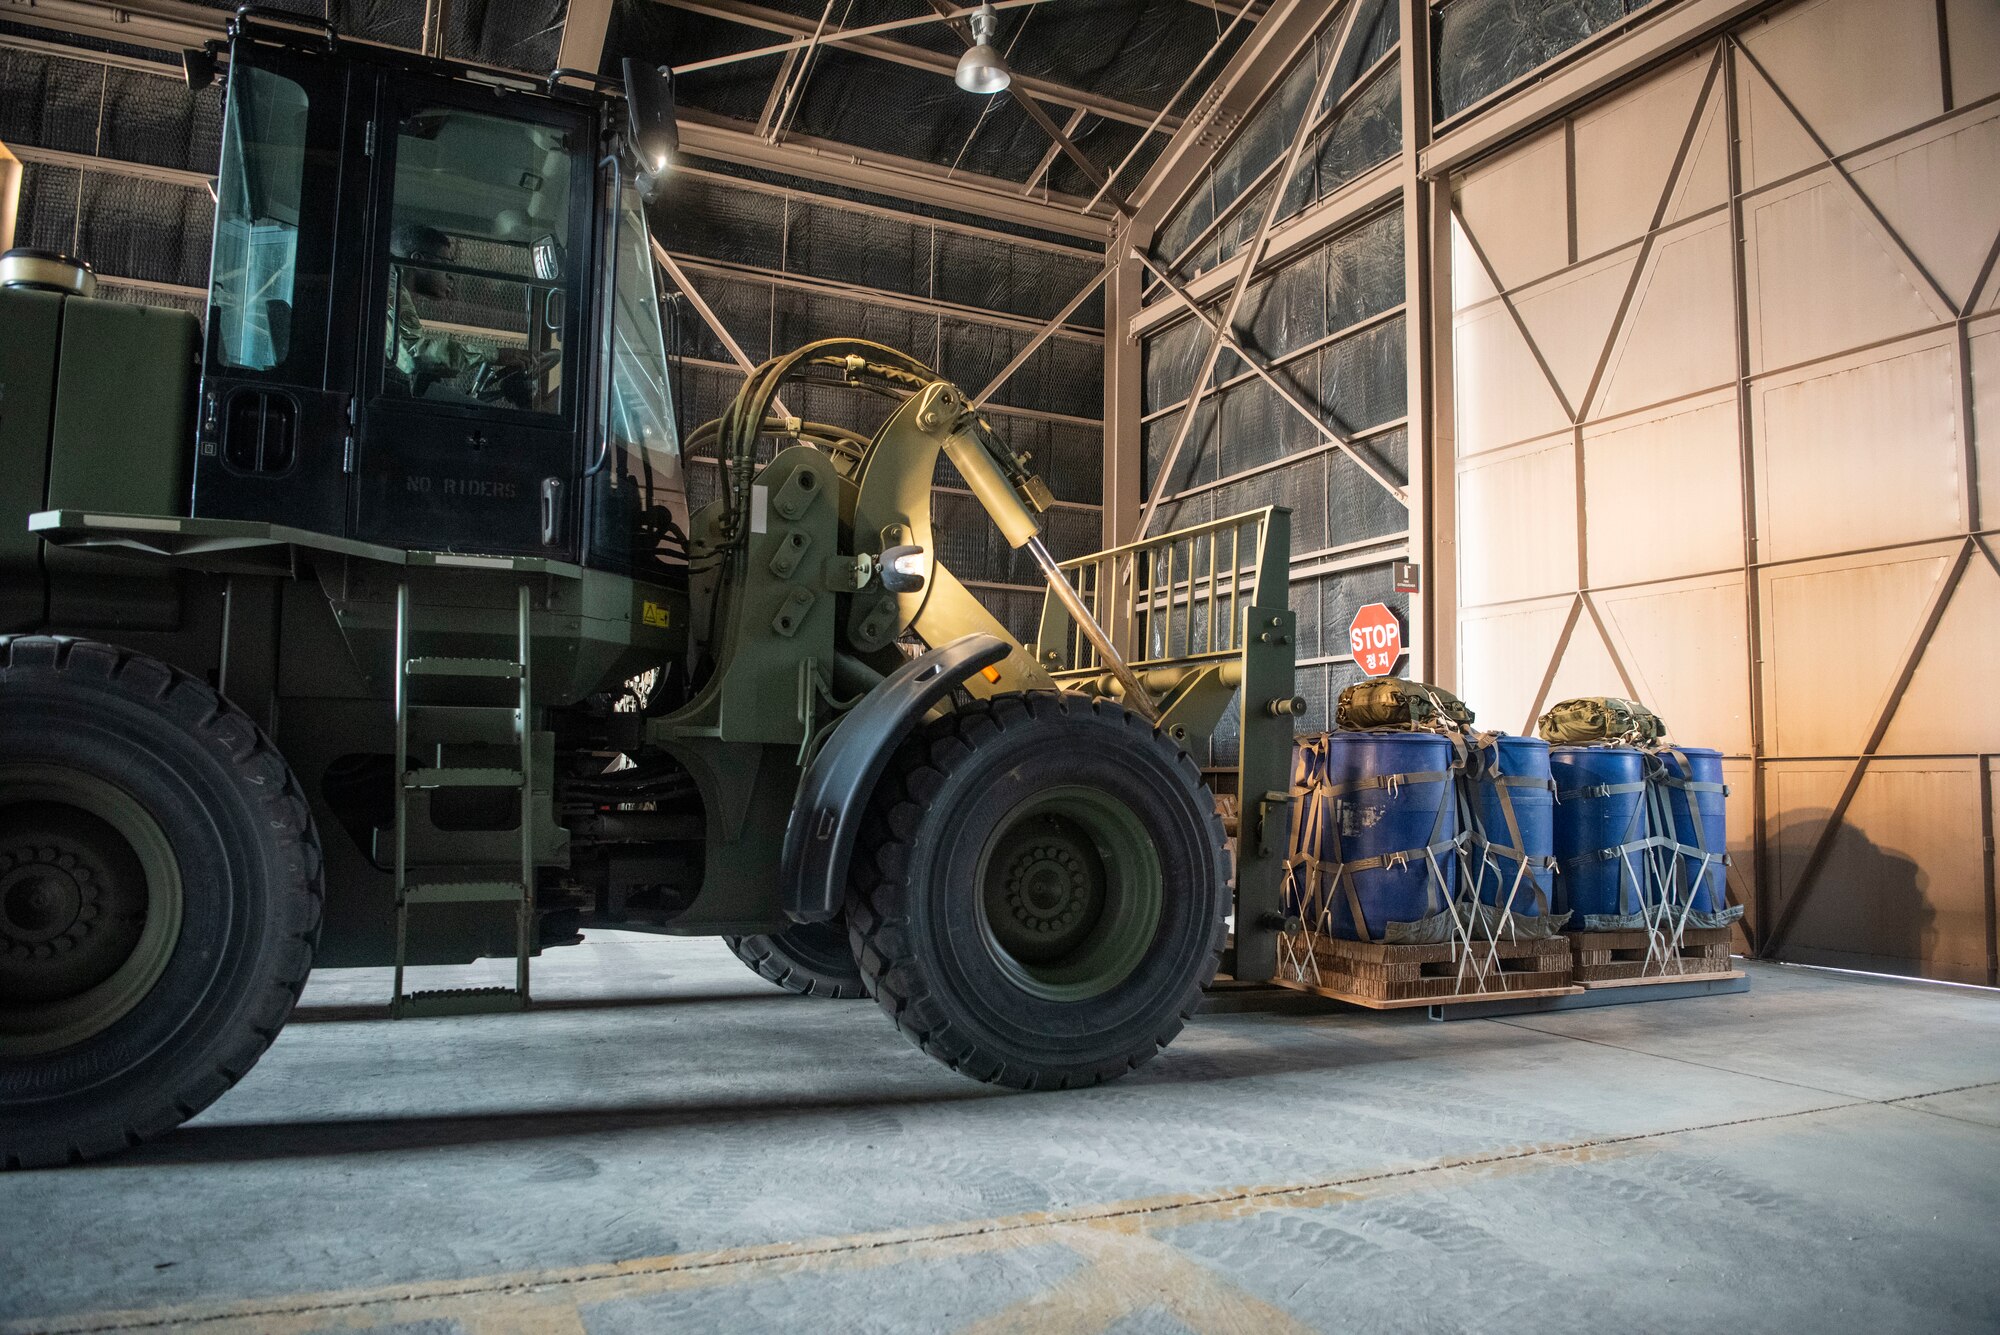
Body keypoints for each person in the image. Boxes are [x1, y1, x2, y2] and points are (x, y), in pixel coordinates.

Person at [385, 222, 537, 407]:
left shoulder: (392, 288)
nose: (451, 276)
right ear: (419, 260)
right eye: (446, 264)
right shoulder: (389, 292)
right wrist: (493, 354)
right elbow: (413, 356)